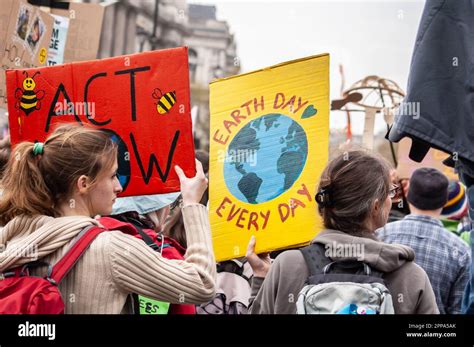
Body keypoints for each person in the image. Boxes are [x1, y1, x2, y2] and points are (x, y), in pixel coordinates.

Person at [0, 123, 216, 313]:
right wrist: (192, 204)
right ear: (83, 184)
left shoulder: (12, 238)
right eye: (112, 176)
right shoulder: (112, 249)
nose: (119, 187)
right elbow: (202, 284)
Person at [246, 150, 438, 314]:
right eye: (389, 192)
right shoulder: (411, 277)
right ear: (376, 207)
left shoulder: (287, 266)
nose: (391, 199)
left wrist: (262, 277)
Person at [377, 168, 471, 314]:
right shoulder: (461, 251)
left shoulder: (380, 235)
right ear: (444, 201)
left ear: (408, 195)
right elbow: (458, 310)